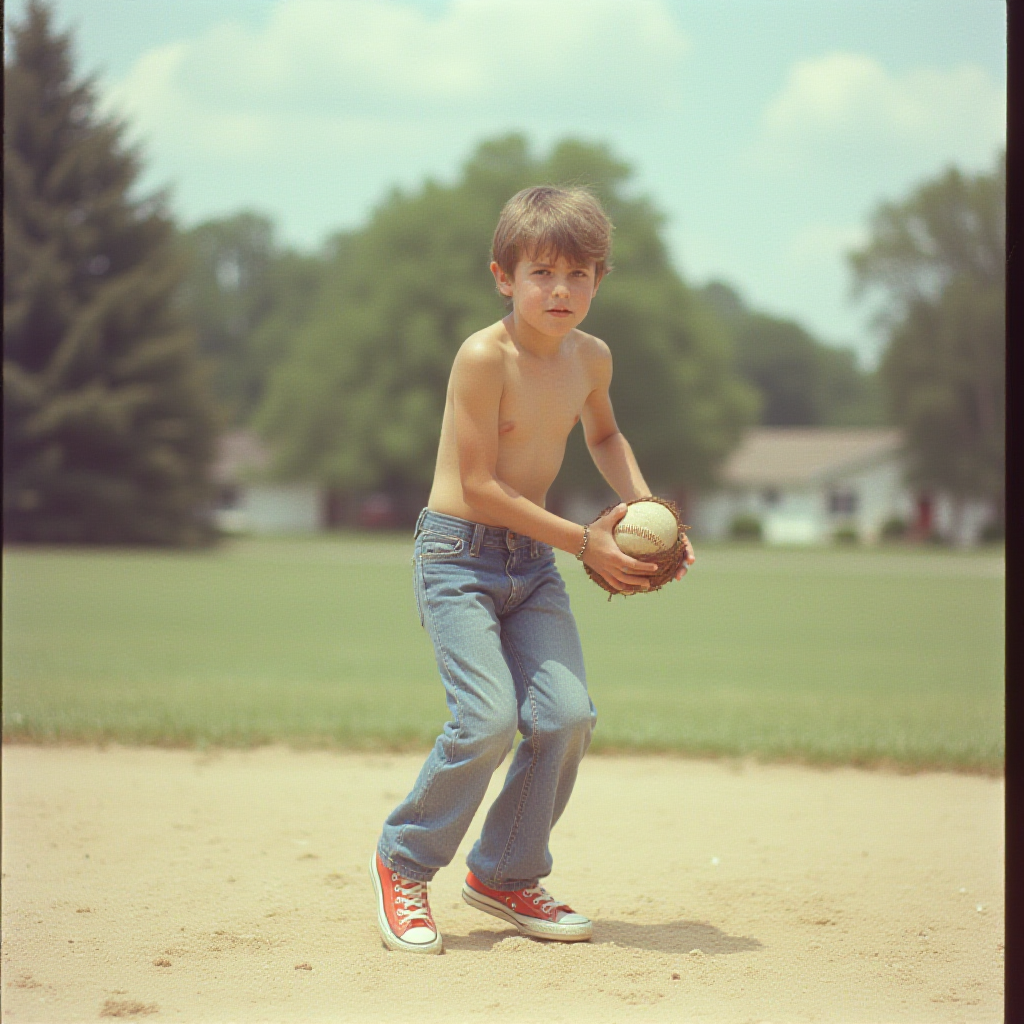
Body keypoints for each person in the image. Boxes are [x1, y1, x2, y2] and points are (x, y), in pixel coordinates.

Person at [370, 185, 695, 954]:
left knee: (566, 716)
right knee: (484, 721)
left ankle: (504, 877)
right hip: (458, 558)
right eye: (542, 272)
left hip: (532, 564)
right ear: (502, 277)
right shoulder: (486, 357)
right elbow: (480, 486)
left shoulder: (592, 357)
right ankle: (403, 861)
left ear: (599, 282)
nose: (561, 289)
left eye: (579, 274)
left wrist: (652, 516)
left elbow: (607, 436)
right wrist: (586, 542)